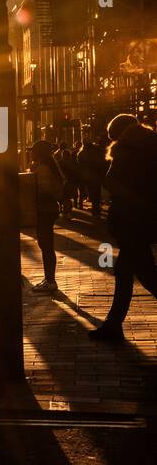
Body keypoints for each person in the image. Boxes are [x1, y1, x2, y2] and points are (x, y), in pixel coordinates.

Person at [89, 114, 157, 341]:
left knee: (144, 274)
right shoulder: (150, 145)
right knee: (127, 271)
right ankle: (113, 325)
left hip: (131, 221)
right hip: (145, 219)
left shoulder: (125, 151)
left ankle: (112, 327)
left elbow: (111, 182)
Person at [29, 139, 64, 293]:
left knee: (46, 245)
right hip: (48, 210)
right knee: (46, 245)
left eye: (33, 150)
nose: (30, 153)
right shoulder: (48, 166)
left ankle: (50, 280)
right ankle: (48, 278)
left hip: (44, 210)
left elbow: (44, 190)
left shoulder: (42, 169)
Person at [79, 139, 107, 220]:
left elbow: (80, 163)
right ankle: (96, 210)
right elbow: (101, 162)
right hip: (95, 176)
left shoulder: (82, 153)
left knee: (92, 194)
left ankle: (95, 210)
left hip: (87, 176)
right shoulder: (95, 152)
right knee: (96, 194)